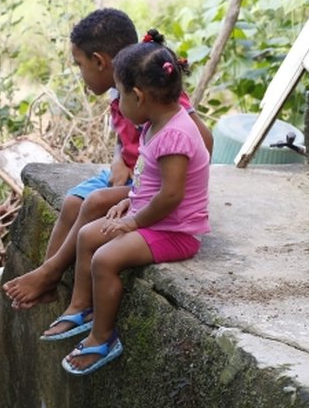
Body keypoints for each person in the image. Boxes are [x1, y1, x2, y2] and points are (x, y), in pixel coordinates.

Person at [2, 11, 213, 311]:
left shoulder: (157, 96)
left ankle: (50, 273)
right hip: (132, 174)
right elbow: (125, 138)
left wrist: (177, 179)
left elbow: (202, 142)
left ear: (100, 62)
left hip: (147, 183)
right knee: (72, 203)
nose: (80, 73)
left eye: (80, 65)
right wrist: (119, 160)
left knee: (93, 203)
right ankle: (48, 280)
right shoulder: (124, 89)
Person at [55, 36, 210, 375]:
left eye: (121, 94)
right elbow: (148, 182)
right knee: (88, 235)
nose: (118, 102)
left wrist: (133, 222)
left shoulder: (175, 136)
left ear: (138, 96)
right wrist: (129, 201)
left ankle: (102, 338)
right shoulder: (155, 124)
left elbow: (171, 196)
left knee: (105, 259)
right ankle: (83, 308)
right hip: (155, 219)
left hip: (175, 232)